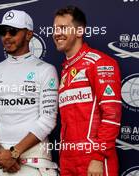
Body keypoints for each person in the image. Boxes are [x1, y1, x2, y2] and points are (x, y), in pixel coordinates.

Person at [0, 10, 59, 176]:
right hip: (0, 162)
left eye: (13, 31)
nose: (7, 36)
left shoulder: (45, 70)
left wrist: (14, 152)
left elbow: (48, 120)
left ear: (29, 34)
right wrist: (1, 152)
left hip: (35, 163)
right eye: (3, 32)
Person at [52, 6, 122, 176]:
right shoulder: (65, 70)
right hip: (68, 160)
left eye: (63, 28)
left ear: (79, 31)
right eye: (55, 29)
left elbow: (111, 115)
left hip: (94, 160)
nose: (57, 33)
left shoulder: (100, 63)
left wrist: (98, 156)